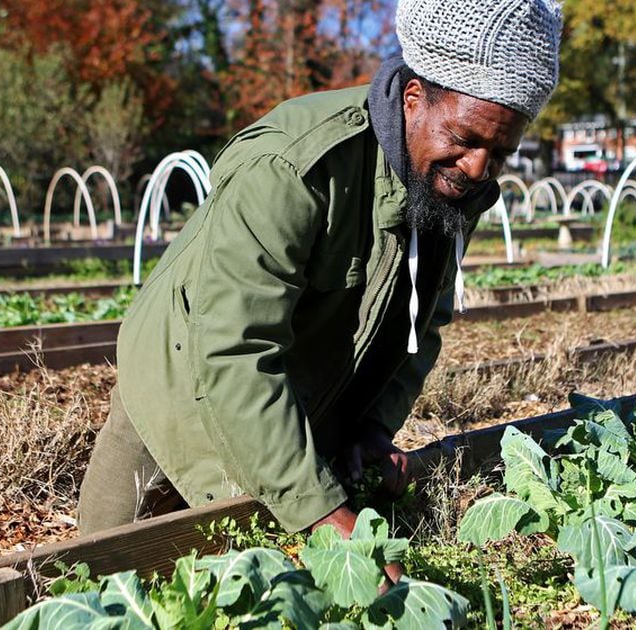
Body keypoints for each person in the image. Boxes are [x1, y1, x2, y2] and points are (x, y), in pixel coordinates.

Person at [77, 0, 562, 551]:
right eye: (466, 139)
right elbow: (232, 348)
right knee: (101, 573)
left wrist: (373, 428)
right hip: (182, 389)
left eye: (501, 152)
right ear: (413, 99)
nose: (478, 167)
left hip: (300, 403)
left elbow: (421, 325)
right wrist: (324, 516)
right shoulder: (294, 165)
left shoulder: (453, 188)